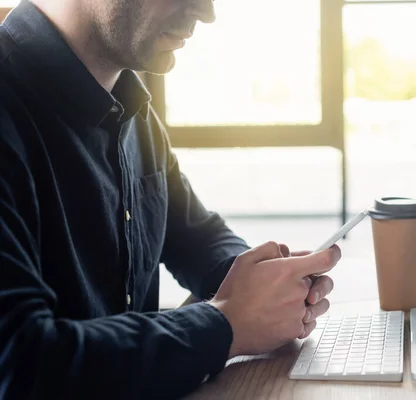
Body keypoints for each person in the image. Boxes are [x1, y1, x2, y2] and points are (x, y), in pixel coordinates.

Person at [0, 0, 341, 399]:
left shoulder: (131, 106)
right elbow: (21, 364)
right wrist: (226, 324)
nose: (208, 12)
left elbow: (194, 234)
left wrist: (266, 285)